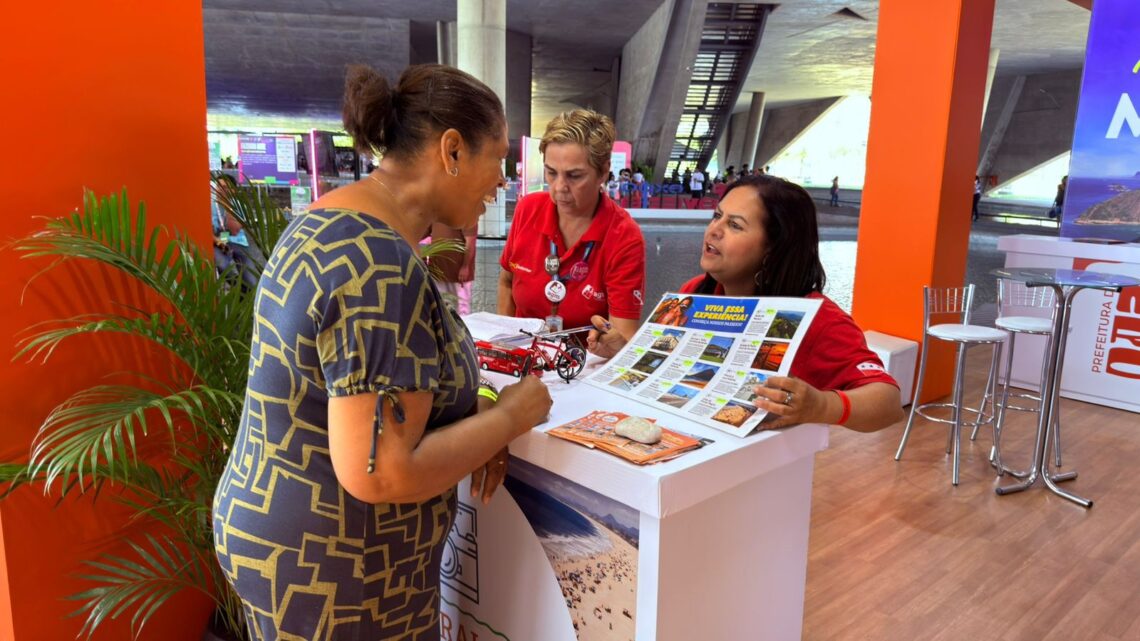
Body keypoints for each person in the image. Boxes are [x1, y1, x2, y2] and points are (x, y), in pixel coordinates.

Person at [212, 63, 553, 641]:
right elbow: (383, 474)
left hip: (283, 544)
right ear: (451, 151)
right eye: (497, 158)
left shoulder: (328, 219)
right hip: (340, 573)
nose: (502, 181)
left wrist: (476, 420)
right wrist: (509, 418)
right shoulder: (380, 266)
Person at [587, 175, 904, 432]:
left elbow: (888, 402)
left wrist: (822, 405)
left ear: (773, 248)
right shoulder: (694, 293)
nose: (714, 229)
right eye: (717, 216)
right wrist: (627, 351)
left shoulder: (817, 318)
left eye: (735, 225)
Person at [498, 108, 646, 340]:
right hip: (525, 359)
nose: (559, 188)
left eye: (574, 176)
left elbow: (623, 334)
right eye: (551, 173)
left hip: (582, 368)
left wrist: (610, 344)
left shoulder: (624, 236)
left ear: (603, 172)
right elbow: (507, 282)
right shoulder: (528, 209)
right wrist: (505, 345)